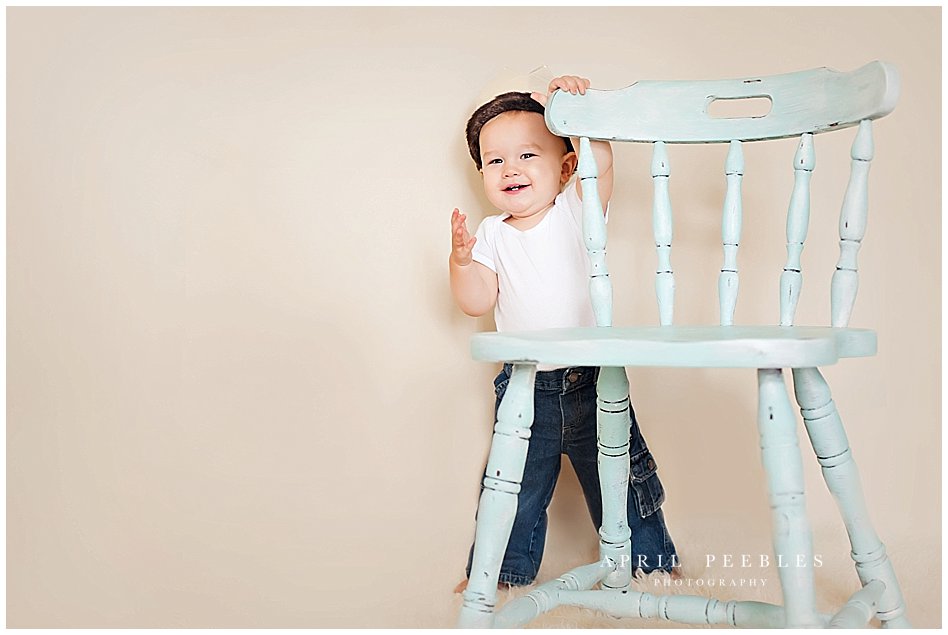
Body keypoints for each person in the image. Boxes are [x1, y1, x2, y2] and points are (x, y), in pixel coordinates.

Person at [449, 75, 678, 591]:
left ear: (566, 166)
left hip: (592, 378)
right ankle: (502, 572)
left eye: (528, 155)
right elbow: (475, 302)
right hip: (525, 382)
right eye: (495, 161)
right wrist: (461, 262)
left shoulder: (575, 211)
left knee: (619, 474)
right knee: (515, 484)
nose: (511, 170)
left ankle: (652, 563)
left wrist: (572, 109)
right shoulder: (491, 233)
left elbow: (603, 161)